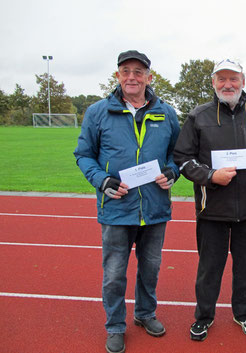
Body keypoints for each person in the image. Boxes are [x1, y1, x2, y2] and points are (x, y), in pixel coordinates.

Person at [73, 50, 180, 353]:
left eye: (138, 71)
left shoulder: (166, 112)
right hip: (117, 209)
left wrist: (172, 172)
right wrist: (102, 180)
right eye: (125, 71)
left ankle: (145, 314)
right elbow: (83, 155)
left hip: (155, 208)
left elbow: (178, 154)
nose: (131, 77)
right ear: (117, 76)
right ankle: (115, 326)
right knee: (114, 274)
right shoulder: (97, 112)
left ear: (149, 76)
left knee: (150, 268)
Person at [173, 59, 246, 341]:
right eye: (221, 79)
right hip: (212, 210)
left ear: (243, 82)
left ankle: (244, 314)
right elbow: (182, 158)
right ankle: (204, 316)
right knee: (209, 267)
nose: (227, 84)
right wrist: (210, 176)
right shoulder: (198, 116)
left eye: (233, 79)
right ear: (213, 83)